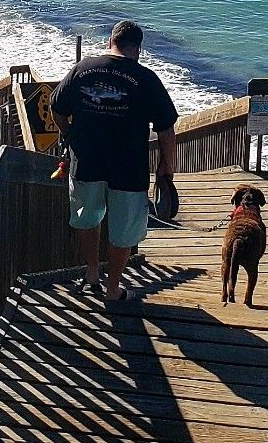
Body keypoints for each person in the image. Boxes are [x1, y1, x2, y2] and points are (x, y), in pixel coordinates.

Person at [49, 19, 178, 305]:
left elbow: (56, 109)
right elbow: (166, 129)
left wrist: (70, 136)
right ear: (138, 49)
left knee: (87, 217)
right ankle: (113, 288)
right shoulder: (146, 78)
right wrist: (166, 168)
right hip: (129, 168)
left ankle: (92, 274)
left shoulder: (83, 69)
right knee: (124, 230)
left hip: (87, 161)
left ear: (111, 41)